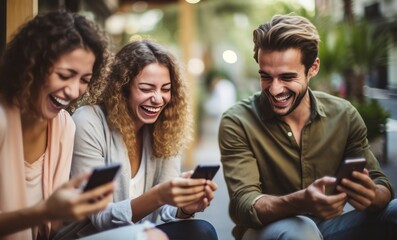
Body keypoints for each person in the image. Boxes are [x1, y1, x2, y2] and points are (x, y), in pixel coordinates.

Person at [219, 14, 397, 240]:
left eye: (287, 77)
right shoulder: (237, 121)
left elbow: (381, 185)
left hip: (329, 228)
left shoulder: (344, 114)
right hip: (265, 232)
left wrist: (371, 195)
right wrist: (301, 201)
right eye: (266, 77)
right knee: (301, 230)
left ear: (313, 68)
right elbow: (244, 204)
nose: (274, 90)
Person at [0, 11, 116, 240]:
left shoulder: (65, 125)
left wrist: (77, 206)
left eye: (85, 80)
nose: (74, 90)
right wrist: (44, 212)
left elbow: (52, 226)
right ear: (31, 65)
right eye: (65, 75)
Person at [56, 39, 219, 240]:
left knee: (201, 231)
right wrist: (159, 195)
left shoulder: (164, 129)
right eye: (147, 88)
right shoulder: (89, 122)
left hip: (141, 234)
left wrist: (183, 208)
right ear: (122, 88)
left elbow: (163, 209)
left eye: (165, 89)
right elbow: (100, 216)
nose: (158, 99)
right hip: (90, 236)